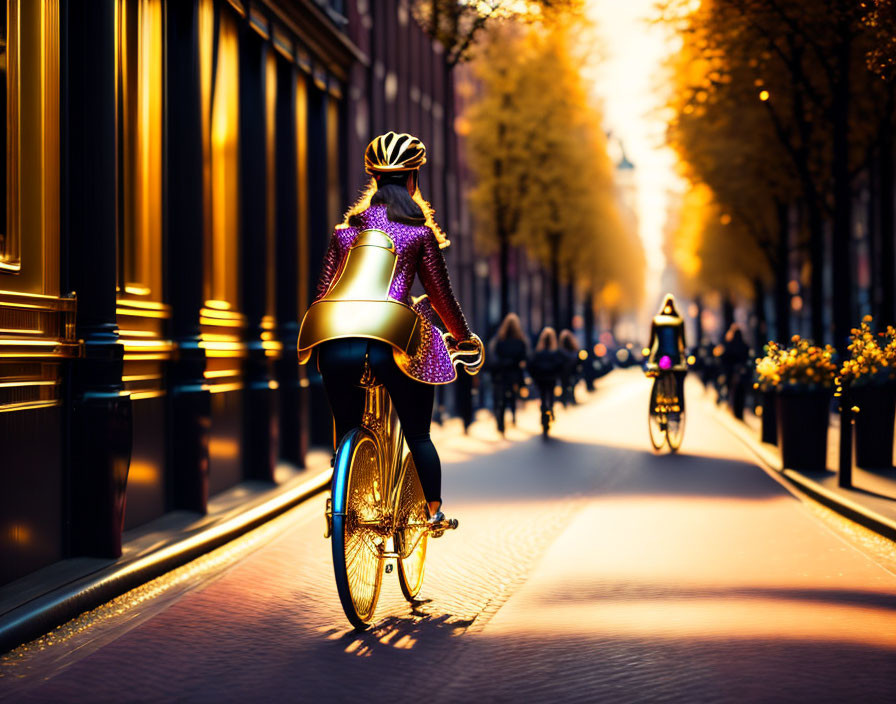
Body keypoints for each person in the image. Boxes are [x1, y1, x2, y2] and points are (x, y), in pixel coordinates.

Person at [296, 131, 481, 527]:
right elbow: (441, 297)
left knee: (347, 427)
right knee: (417, 434)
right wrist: (464, 338)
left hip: (334, 339)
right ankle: (433, 513)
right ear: (414, 180)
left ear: (374, 180)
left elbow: (322, 292)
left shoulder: (345, 233)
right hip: (390, 340)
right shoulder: (419, 234)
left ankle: (346, 502)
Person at [645, 294, 688, 410]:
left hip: (659, 355)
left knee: (657, 375)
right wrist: (685, 354)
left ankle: (655, 404)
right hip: (675, 356)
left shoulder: (657, 320)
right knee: (679, 378)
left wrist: (648, 351)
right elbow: (682, 342)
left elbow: (652, 340)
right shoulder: (679, 321)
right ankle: (679, 404)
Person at [489, 313, 529, 434]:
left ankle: (500, 421)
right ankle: (513, 416)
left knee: (500, 396)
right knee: (512, 395)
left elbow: (494, 354)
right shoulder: (520, 341)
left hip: (501, 373)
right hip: (514, 373)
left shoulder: (499, 340)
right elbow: (524, 357)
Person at [529, 327, 565, 438]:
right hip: (551, 378)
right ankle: (550, 410)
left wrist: (534, 377)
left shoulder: (538, 353)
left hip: (541, 378)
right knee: (551, 394)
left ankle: (544, 412)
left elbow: (532, 365)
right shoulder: (555, 354)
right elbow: (560, 366)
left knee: (543, 395)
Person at [722, 323, 751, 419]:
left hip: (732, 373)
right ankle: (740, 413)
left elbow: (725, 358)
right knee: (741, 394)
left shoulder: (729, 344)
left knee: (733, 392)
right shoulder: (744, 345)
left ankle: (734, 411)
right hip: (742, 373)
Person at [558, 329, 583, 406]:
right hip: (572, 371)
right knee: (571, 385)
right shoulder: (574, 350)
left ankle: (565, 400)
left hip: (564, 372)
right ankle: (571, 399)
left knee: (564, 386)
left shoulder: (560, 351)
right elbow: (579, 360)